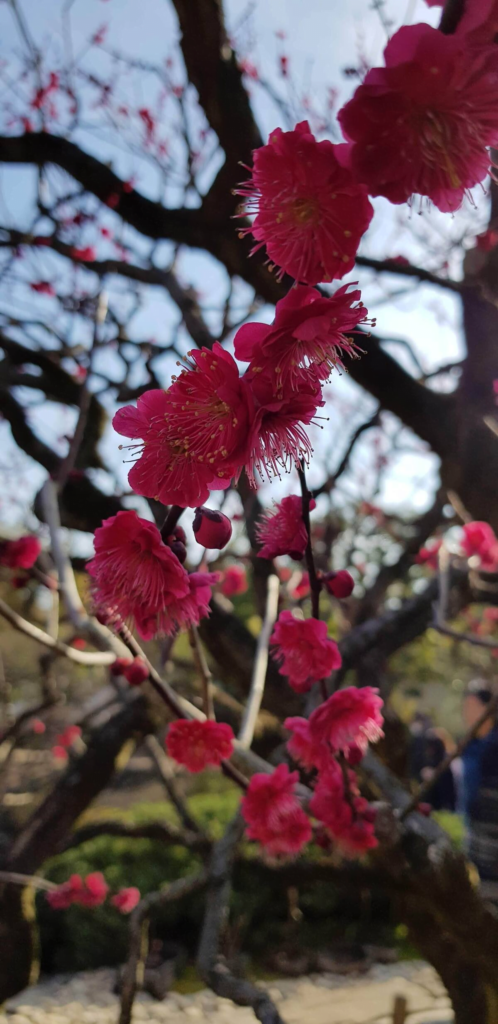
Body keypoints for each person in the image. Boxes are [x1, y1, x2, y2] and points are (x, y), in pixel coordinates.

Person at [461, 679, 498, 902]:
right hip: (475, 837)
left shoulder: (493, 747)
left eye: (472, 706)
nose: (467, 713)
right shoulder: (472, 746)